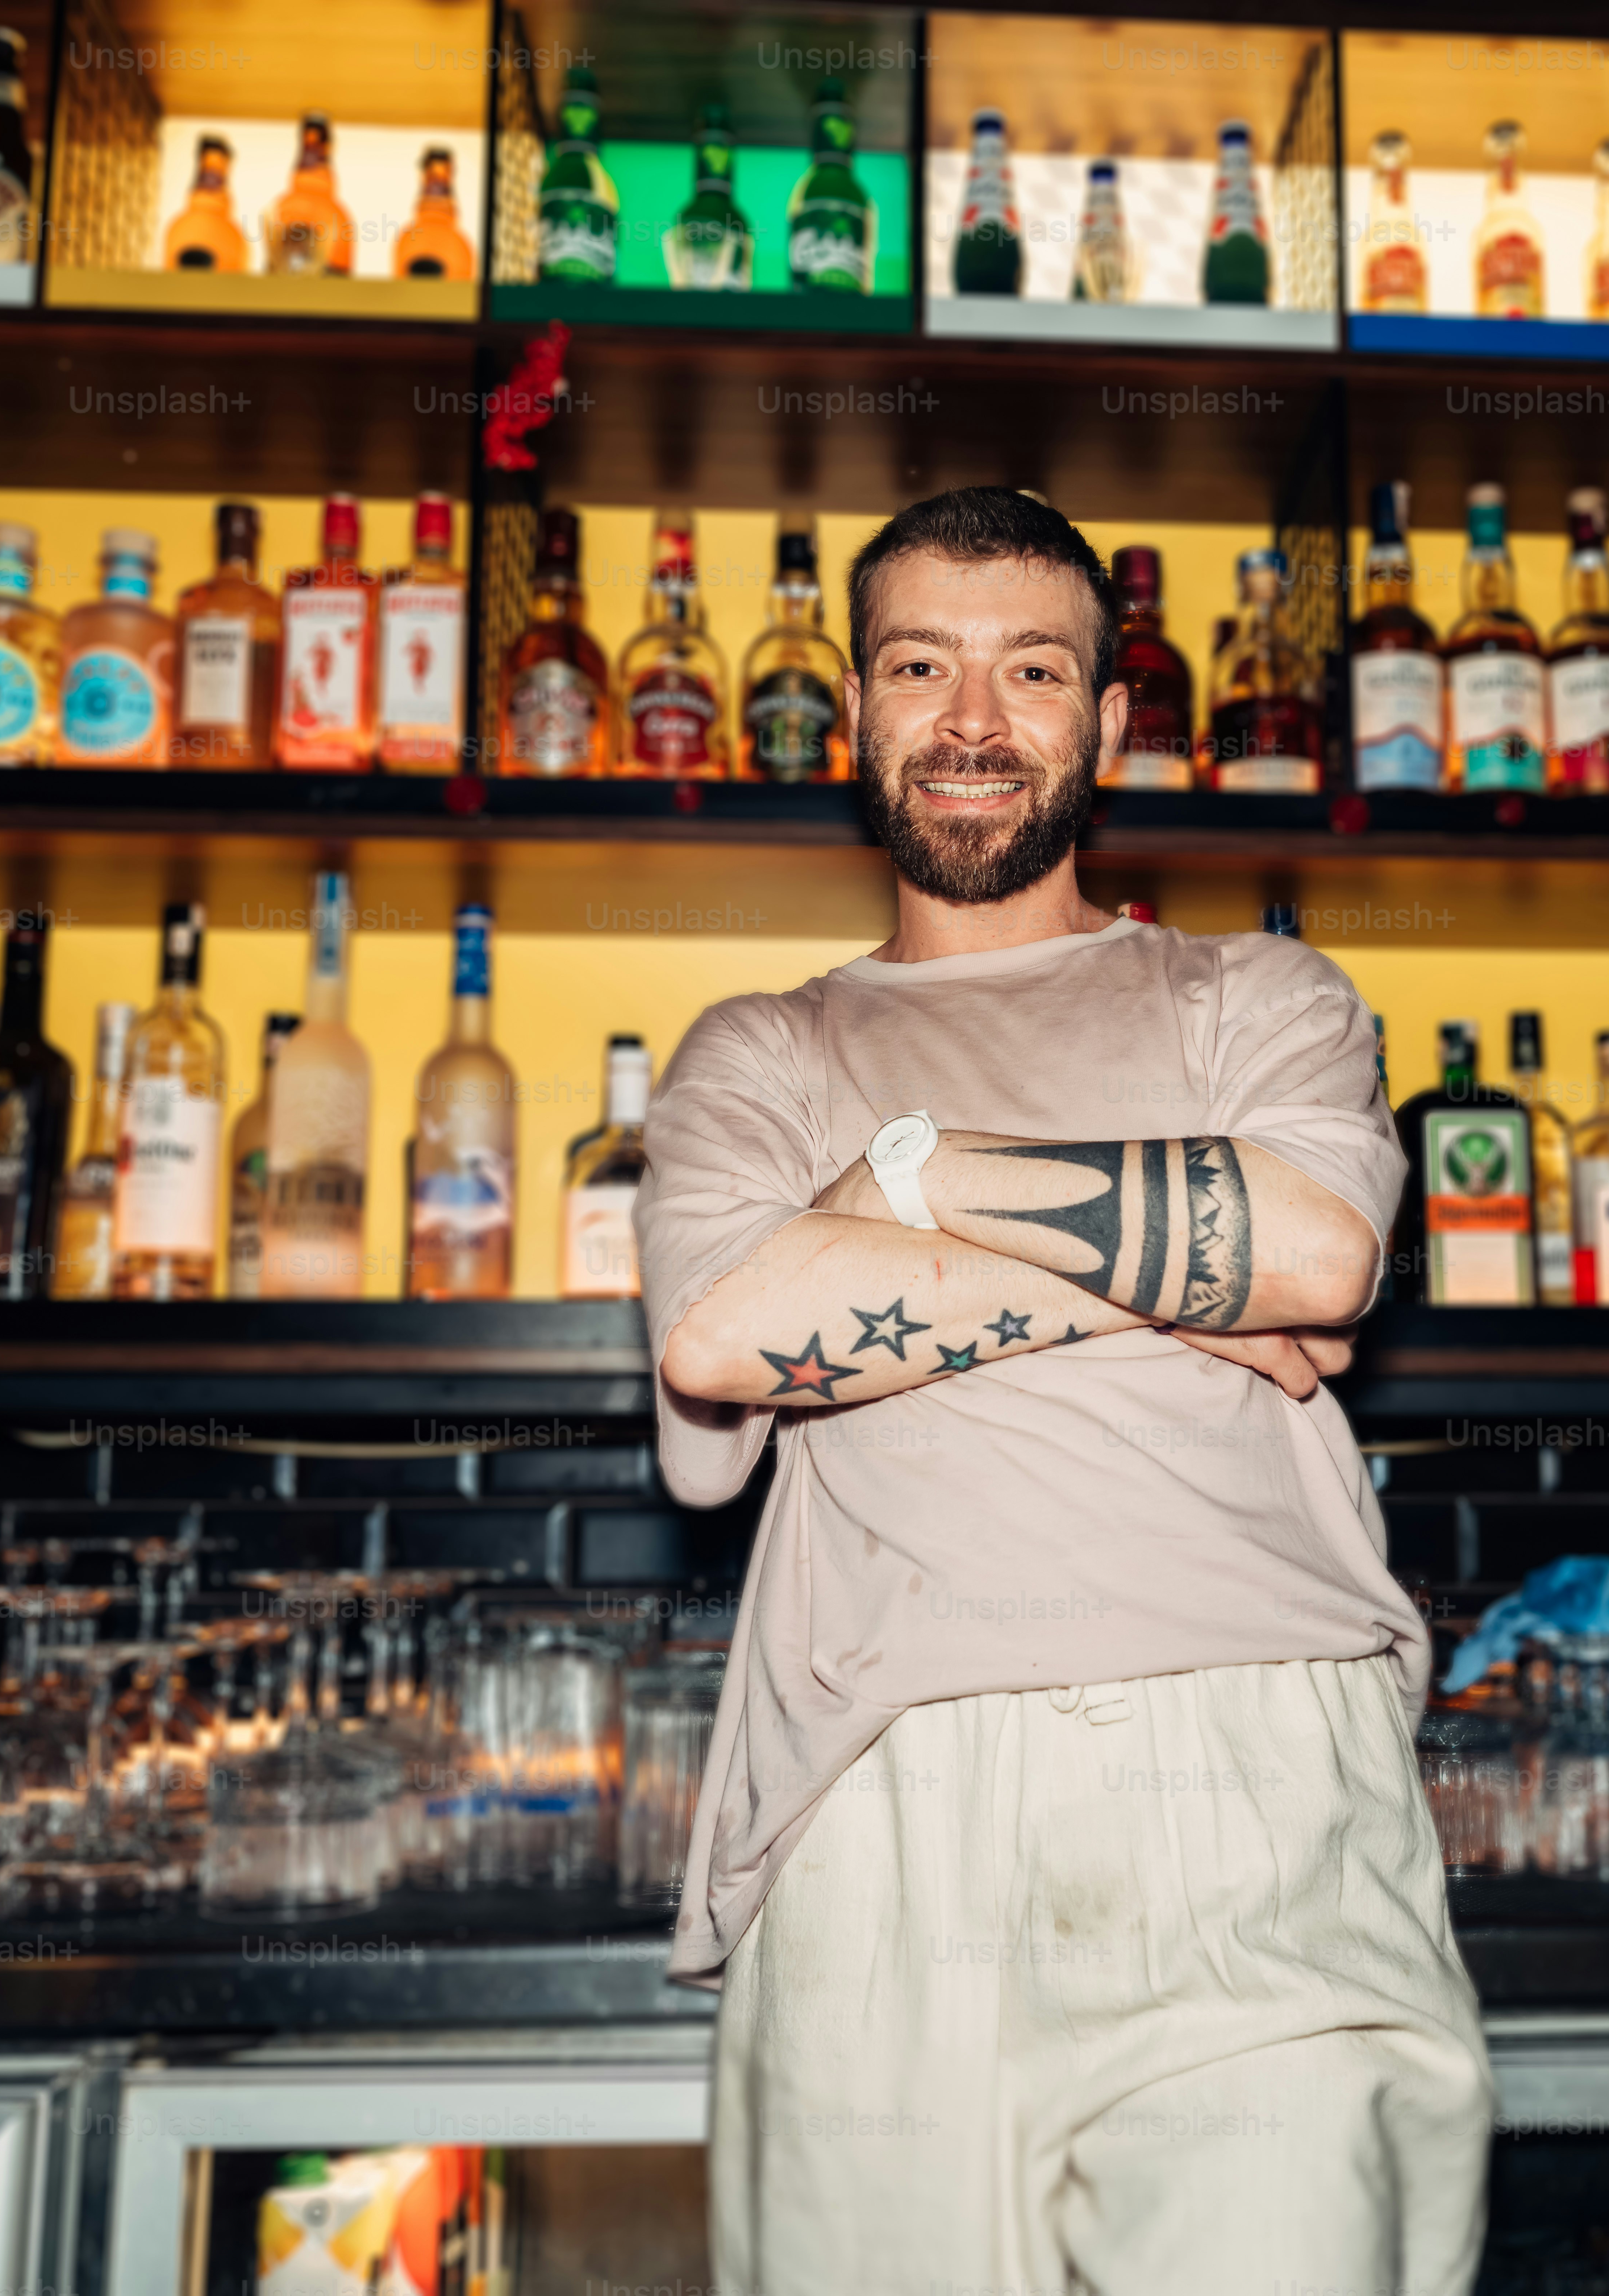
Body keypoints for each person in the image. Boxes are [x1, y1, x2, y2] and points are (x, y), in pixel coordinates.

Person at [637, 486, 1493, 2294]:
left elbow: (1318, 1262)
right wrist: (1167, 1285)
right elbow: (723, 1341)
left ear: (1109, 722)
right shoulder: (760, 1048)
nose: (970, 720)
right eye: (920, 667)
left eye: (1032, 670)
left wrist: (902, 1187)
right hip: (875, 1809)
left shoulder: (1255, 998)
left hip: (1252, 1767)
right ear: (855, 711)